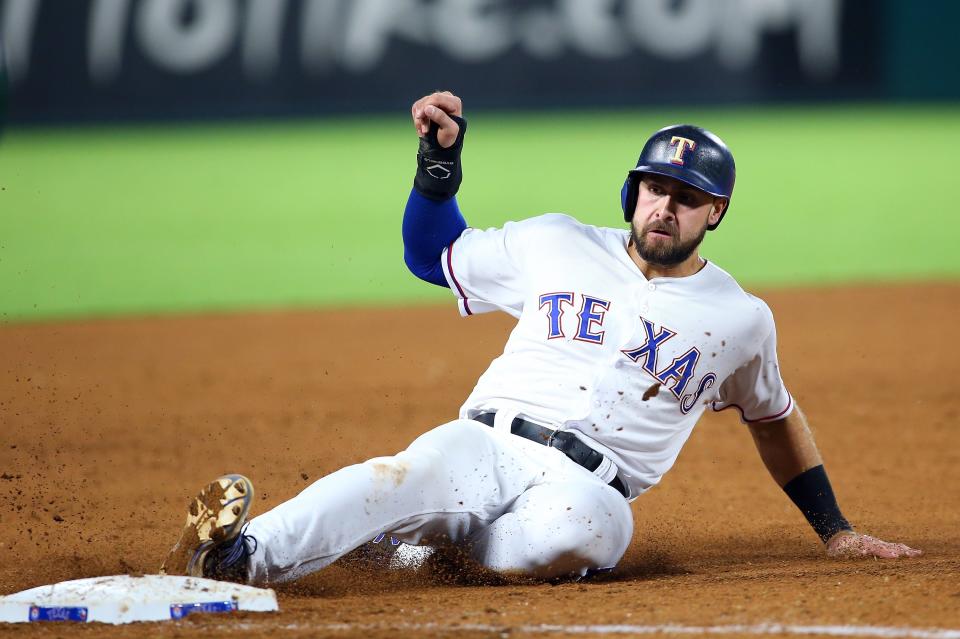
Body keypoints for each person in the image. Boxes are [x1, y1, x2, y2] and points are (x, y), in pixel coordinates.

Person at [161, 91, 920, 585]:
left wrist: (837, 532)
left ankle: (419, 552)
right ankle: (240, 553)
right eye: (656, 188)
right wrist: (438, 168)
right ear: (635, 191)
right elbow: (432, 255)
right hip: (486, 442)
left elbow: (775, 417)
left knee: (574, 534)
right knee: (398, 474)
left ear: (714, 213)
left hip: (591, 487)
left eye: (688, 199)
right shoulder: (554, 241)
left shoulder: (740, 318)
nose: (666, 207)